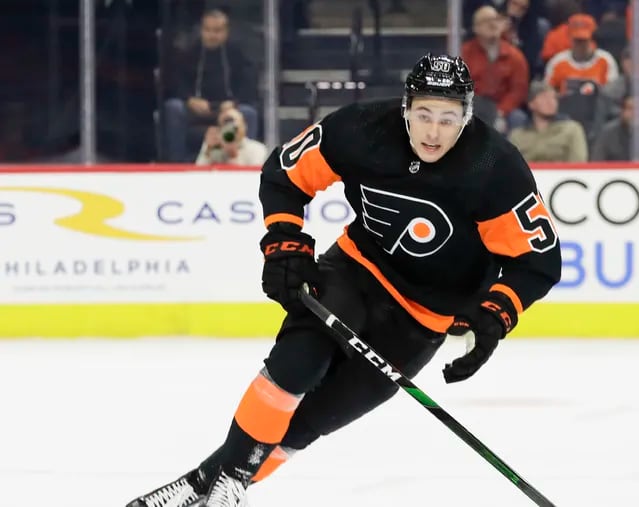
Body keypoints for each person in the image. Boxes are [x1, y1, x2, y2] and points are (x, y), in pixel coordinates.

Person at [125, 53, 562, 507]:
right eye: (424, 115)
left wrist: (495, 314)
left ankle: (204, 483)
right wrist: (285, 242)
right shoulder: (363, 129)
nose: (433, 132)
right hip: (355, 271)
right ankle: (228, 488)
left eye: (448, 119)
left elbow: (538, 261)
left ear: (467, 117)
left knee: (312, 422)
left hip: (423, 319)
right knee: (296, 364)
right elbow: (285, 175)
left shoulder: (494, 167)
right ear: (406, 107)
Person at [163, 8, 259, 162]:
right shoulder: (189, 52)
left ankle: (244, 163)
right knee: (173, 108)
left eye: (217, 30)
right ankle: (177, 163)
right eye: (207, 30)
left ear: (226, 32)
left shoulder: (237, 53)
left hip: (228, 109)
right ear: (201, 30)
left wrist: (234, 103)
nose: (212, 35)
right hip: (196, 108)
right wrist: (189, 99)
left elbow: (249, 83)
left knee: (248, 113)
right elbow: (176, 81)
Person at [461, 5, 530, 133]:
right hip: (473, 107)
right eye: (486, 21)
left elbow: (518, 90)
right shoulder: (464, 53)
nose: (493, 24)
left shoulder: (514, 56)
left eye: (496, 20)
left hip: (504, 109)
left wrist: (501, 112)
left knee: (518, 118)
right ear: (476, 28)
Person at [509, 81, 588, 162]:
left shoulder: (571, 130)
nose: (550, 102)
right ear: (531, 104)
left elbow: (578, 165)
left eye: (554, 98)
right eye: (544, 97)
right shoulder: (517, 136)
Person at [196, 106, 268, 166]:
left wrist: (233, 155)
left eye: (231, 121)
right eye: (225, 122)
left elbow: (254, 178)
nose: (229, 128)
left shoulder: (257, 149)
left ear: (244, 126)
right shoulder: (212, 146)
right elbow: (198, 175)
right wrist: (207, 153)